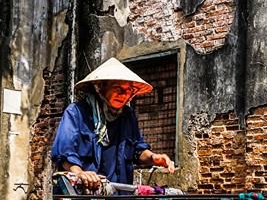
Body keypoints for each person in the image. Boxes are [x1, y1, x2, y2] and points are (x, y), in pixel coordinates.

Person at [51, 58, 175, 191]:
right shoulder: (77, 112)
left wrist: (153, 157)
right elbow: (64, 153)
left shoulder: (128, 116)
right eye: (118, 89)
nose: (123, 95)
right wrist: (80, 173)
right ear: (100, 87)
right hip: (85, 195)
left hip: (119, 196)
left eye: (128, 91)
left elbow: (137, 150)